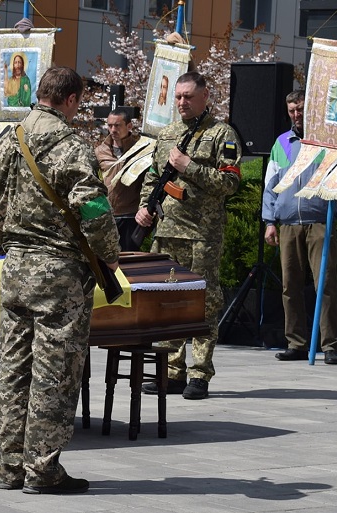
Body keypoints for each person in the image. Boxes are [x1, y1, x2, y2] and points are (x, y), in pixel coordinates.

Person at [0, 66, 119, 493]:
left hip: (15, 266)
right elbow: (95, 208)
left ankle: (9, 466)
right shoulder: (70, 144)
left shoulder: (7, 139)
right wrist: (110, 257)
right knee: (54, 371)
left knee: (14, 368)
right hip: (57, 271)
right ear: (71, 99)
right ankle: (42, 469)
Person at [136, 71, 241, 400]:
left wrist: (189, 167)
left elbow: (231, 183)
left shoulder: (221, 133)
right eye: (178, 96)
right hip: (166, 232)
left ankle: (199, 373)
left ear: (205, 97)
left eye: (188, 97)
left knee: (204, 302)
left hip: (202, 234)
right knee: (168, 302)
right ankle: (172, 370)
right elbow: (152, 177)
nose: (181, 102)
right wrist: (144, 208)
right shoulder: (167, 133)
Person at [263, 90, 337, 365]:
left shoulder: (326, 142)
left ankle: (330, 345)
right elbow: (270, 185)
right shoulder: (283, 143)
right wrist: (269, 221)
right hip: (287, 223)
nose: (297, 115)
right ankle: (296, 342)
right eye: (292, 110)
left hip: (319, 220)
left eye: (300, 109)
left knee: (325, 284)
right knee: (289, 286)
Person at [94, 108, 145, 251]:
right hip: (107, 215)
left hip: (131, 216)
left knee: (129, 262)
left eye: (117, 125)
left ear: (129, 126)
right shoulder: (100, 151)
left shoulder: (140, 150)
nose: (113, 129)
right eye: (110, 125)